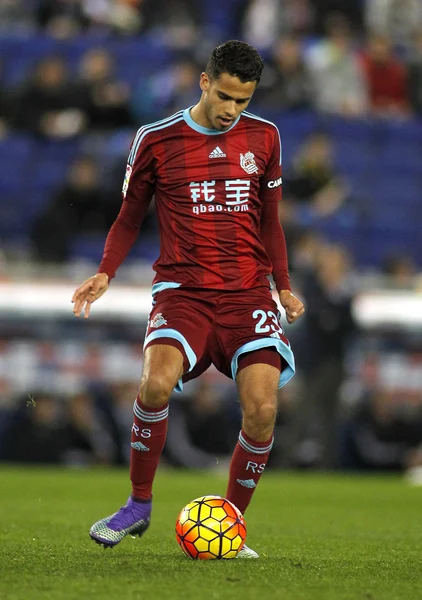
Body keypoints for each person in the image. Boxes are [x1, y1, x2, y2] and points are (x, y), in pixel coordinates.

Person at [71, 40, 305, 558]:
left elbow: (270, 219)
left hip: (247, 294)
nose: (231, 110)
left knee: (263, 409)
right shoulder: (155, 139)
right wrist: (105, 272)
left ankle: (231, 523)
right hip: (183, 291)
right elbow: (130, 215)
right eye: (224, 96)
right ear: (204, 82)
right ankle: (137, 504)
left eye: (242, 101)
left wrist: (283, 284)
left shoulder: (266, 137)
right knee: (155, 384)